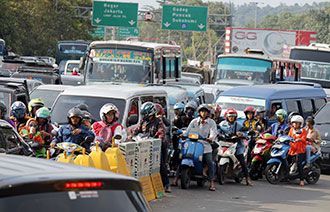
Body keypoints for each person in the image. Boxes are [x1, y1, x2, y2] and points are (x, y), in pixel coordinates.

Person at [134, 102, 170, 192]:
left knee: (161, 165)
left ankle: (166, 184)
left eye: (145, 114)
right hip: (145, 146)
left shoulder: (158, 122)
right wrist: (131, 136)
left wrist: (158, 138)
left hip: (158, 147)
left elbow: (161, 133)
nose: (143, 116)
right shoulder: (143, 122)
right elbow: (136, 130)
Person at [185, 104, 218, 191]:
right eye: (202, 111)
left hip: (206, 145)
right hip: (193, 143)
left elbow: (213, 132)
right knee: (184, 156)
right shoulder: (194, 121)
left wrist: (211, 138)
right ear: (199, 112)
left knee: (210, 162)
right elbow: (187, 131)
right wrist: (183, 134)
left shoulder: (211, 122)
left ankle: (211, 182)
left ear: (208, 113)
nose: (203, 113)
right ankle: (177, 179)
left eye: (205, 111)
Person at [219, 108, 253, 186]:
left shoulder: (238, 125)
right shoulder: (222, 124)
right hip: (224, 143)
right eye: (230, 116)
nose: (231, 118)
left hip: (237, 145)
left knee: (241, 159)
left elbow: (245, 133)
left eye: (233, 116)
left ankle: (247, 178)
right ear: (226, 116)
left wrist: (242, 135)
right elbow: (218, 130)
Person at [288, 115, 307, 186]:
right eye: (294, 123)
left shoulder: (303, 131)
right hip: (292, 149)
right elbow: (288, 137)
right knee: (287, 160)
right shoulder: (291, 130)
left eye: (297, 123)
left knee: (299, 164)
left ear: (300, 123)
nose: (295, 124)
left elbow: (304, 139)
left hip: (300, 150)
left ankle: (301, 180)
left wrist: (300, 139)